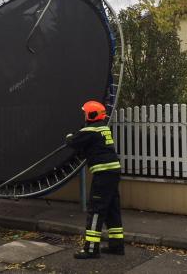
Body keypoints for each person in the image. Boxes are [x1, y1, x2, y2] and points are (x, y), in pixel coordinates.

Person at [66, 100, 124, 259]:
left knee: (96, 210)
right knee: (112, 209)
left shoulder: (90, 130)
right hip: (113, 172)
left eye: (85, 112)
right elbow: (93, 147)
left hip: (103, 174)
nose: (84, 115)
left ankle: (91, 249)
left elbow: (73, 141)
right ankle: (117, 246)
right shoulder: (103, 128)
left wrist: (69, 136)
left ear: (91, 115)